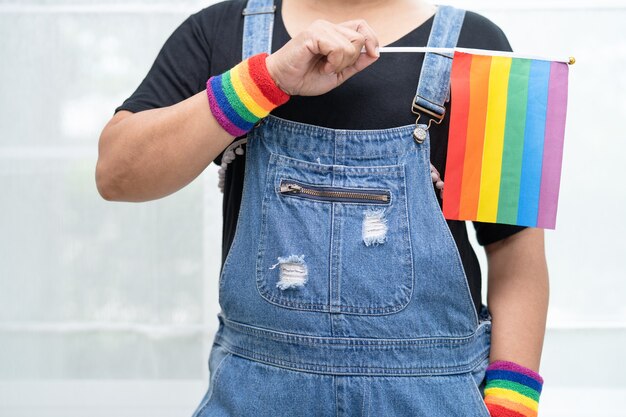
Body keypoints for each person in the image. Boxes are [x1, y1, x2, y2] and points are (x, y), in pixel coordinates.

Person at [96, 0, 550, 415]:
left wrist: (512, 408)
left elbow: (515, 249)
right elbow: (117, 174)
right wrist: (265, 80)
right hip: (256, 394)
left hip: (432, 396)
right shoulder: (217, 32)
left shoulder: (482, 47)